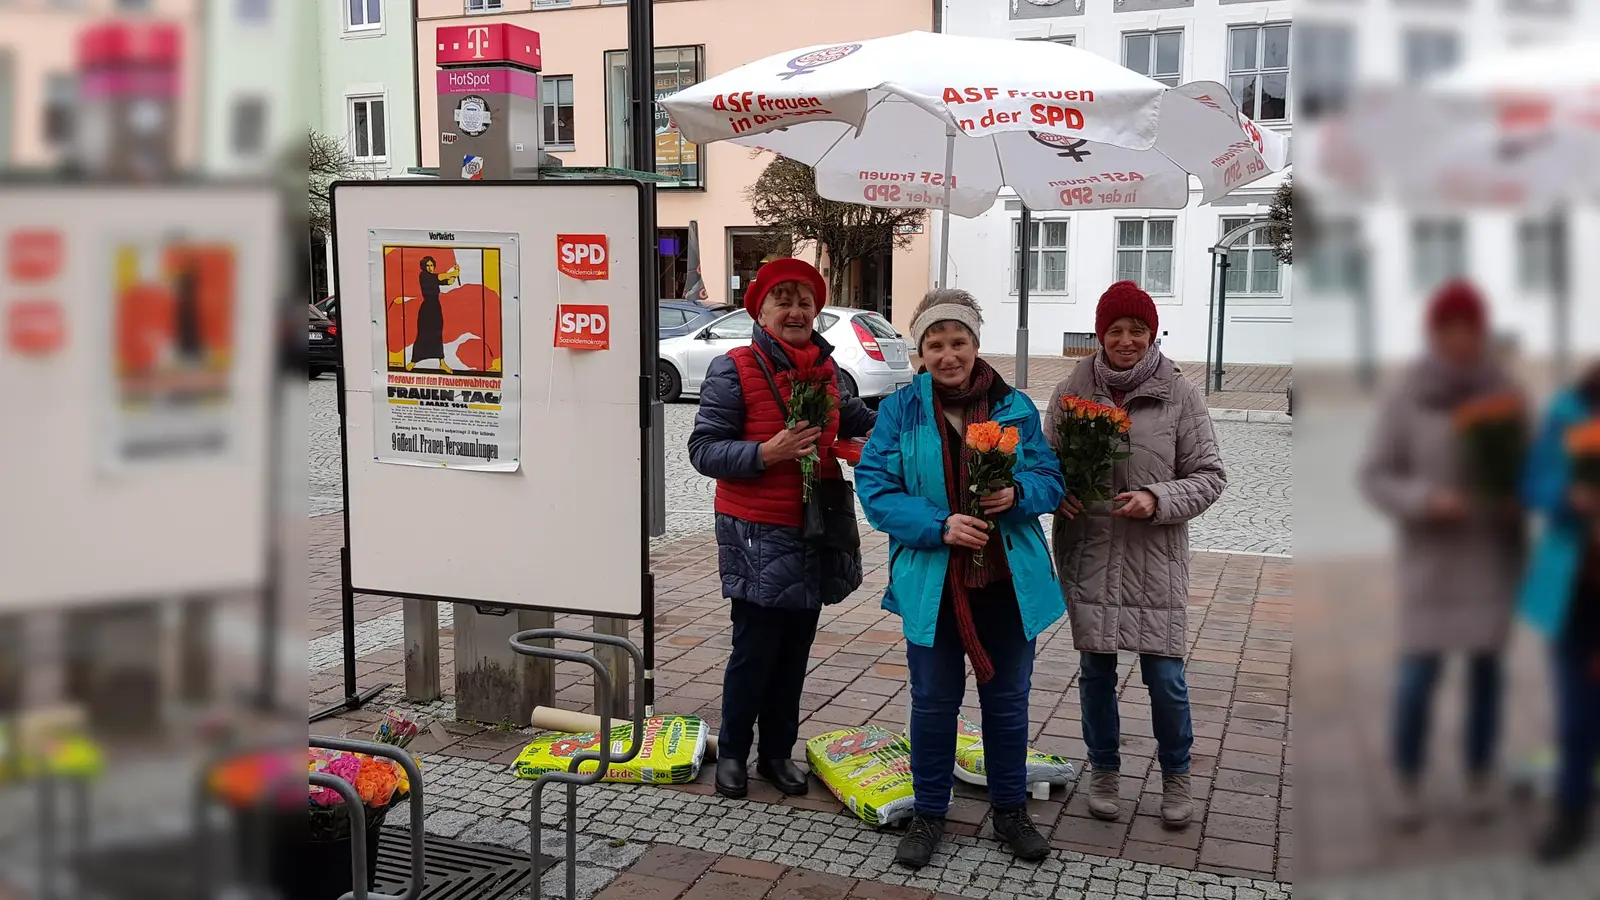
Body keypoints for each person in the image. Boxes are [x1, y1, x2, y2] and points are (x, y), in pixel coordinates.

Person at [855, 289, 1064, 869]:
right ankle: (928, 813)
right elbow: (875, 489)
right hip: (935, 581)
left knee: (1007, 702)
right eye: (935, 343)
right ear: (920, 350)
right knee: (933, 701)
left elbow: (1050, 476)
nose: (949, 355)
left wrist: (1018, 495)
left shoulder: (1013, 405)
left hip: (1006, 580)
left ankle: (1009, 810)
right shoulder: (901, 410)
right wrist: (939, 525)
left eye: (959, 341)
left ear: (975, 343)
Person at [687, 258, 875, 800]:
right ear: (761, 310)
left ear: (816, 312)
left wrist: (921, 415)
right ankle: (734, 754)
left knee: (795, 647)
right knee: (754, 647)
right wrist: (766, 453)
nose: (795, 311)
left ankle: (776, 755)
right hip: (757, 528)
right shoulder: (736, 367)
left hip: (816, 526)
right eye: (783, 301)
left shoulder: (829, 373)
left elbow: (860, 419)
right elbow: (703, 449)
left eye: (804, 302)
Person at [1044, 281, 1226, 830]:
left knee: (1165, 678)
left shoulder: (1180, 395)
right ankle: (1104, 770)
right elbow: (1043, 466)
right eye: (1115, 331)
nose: (1126, 341)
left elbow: (1211, 476)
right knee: (1095, 671)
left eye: (1136, 331)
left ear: (1152, 335)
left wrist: (1157, 498)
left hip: (1154, 558)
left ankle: (1176, 774)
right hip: (1092, 552)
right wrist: (1058, 489)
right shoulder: (1070, 393)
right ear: (1100, 335)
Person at [1359, 280, 1527, 828]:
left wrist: (1514, 498)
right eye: (1449, 329)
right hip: (1431, 564)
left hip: (1487, 561)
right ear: (1435, 332)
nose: (1460, 340)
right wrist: (1428, 499)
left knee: (1486, 677)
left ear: (1480, 332)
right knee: (1418, 678)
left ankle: (1479, 775)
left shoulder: (1505, 393)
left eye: (1469, 329)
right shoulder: (1408, 396)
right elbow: (1376, 476)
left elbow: (1534, 471)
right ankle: (1407, 780)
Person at [1519, 360, 1600, 862]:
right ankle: (1572, 812)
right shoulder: (1569, 411)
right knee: (1575, 710)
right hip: (1576, 586)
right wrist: (1570, 496)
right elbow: (1534, 483)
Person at [405, 256, 458, 373]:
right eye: (427, 265)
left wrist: (456, 273)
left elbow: (449, 281)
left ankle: (442, 363)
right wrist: (452, 272)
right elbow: (441, 276)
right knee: (422, 334)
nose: (430, 267)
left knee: (437, 335)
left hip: (436, 309)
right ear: (424, 267)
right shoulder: (424, 276)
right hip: (426, 309)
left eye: (431, 265)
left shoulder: (434, 278)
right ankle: (413, 361)